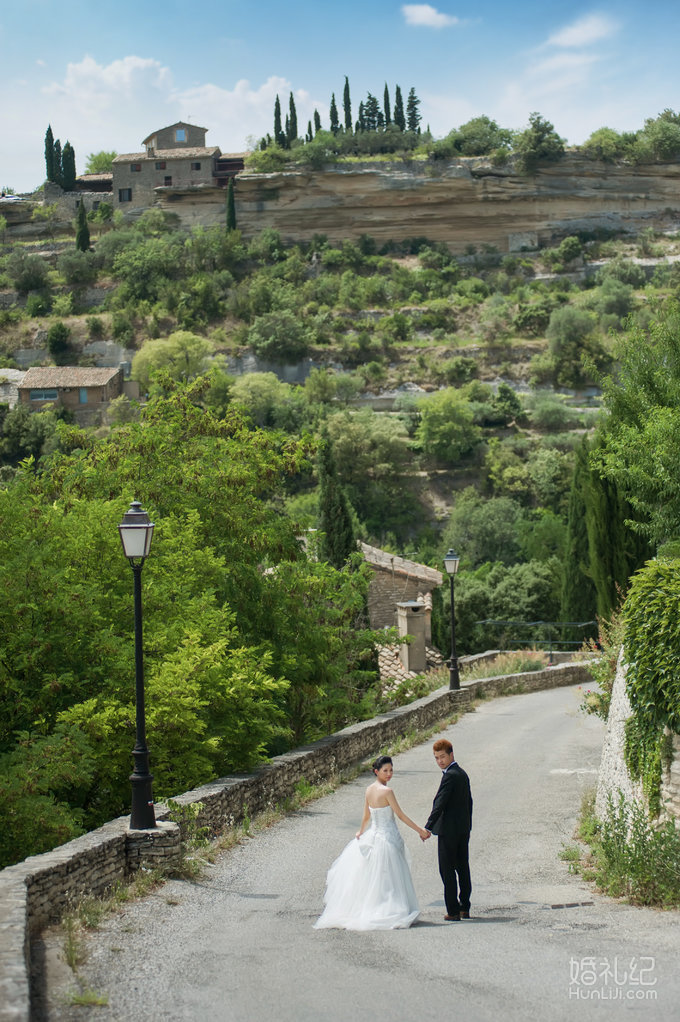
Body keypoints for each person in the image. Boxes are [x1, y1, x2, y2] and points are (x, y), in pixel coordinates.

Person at [314, 755, 430, 930]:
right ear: (376, 771)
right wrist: (420, 830)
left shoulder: (369, 790)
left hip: (374, 835)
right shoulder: (387, 792)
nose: (389, 773)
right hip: (387, 838)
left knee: (374, 876)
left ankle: (370, 907)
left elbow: (367, 815)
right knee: (388, 876)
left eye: (391, 770)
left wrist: (361, 831)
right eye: (385, 771)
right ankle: (388, 909)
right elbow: (400, 815)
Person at [424, 738, 473, 921]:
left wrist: (428, 826)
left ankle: (453, 910)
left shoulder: (450, 775)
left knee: (447, 870)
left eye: (442, 757)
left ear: (451, 754)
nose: (440, 761)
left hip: (449, 831)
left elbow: (440, 803)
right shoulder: (462, 773)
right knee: (462, 867)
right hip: (463, 829)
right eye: (436, 758)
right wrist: (467, 825)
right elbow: (469, 802)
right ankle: (464, 907)